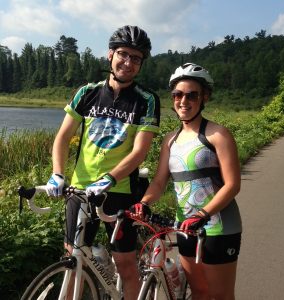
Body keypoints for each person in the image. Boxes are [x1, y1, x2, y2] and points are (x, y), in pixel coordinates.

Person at [46, 25, 160, 300]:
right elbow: (62, 137)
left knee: (125, 264)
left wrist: (109, 178)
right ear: (110, 55)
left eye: (136, 58)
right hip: (80, 191)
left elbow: (139, 151)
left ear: (141, 64)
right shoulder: (87, 92)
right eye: (123, 54)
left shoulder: (146, 101)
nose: (128, 62)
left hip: (119, 193)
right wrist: (58, 174)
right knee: (72, 258)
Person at [133, 63, 242, 299]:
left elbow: (233, 185)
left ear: (205, 97)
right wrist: (145, 202)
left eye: (191, 95)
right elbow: (160, 181)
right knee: (200, 292)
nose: (183, 100)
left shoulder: (217, 135)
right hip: (184, 226)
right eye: (178, 95)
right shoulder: (170, 140)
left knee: (219, 295)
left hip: (218, 227)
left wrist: (202, 214)